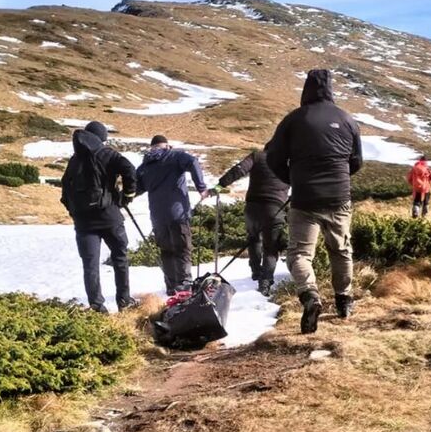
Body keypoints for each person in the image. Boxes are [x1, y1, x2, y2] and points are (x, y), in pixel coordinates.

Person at [267, 69, 363, 334]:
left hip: (304, 199)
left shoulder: (293, 120)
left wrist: (293, 179)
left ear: (305, 90)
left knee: (299, 253)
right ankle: (344, 300)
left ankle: (310, 295)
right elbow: (356, 162)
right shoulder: (347, 119)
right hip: (339, 197)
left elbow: (273, 158)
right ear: (330, 89)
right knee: (341, 250)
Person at [60, 121, 138, 313]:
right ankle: (124, 301)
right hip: (110, 217)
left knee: (90, 265)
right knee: (120, 258)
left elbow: (64, 191)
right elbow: (129, 169)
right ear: (101, 138)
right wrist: (127, 196)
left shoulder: (75, 159)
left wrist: (76, 214)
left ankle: (97, 308)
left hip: (84, 224)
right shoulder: (106, 154)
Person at [208, 145, 289, 296]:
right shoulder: (289, 162)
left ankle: (256, 271)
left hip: (252, 208)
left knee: (253, 239)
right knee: (271, 248)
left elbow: (238, 170)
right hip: (275, 209)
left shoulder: (257, 156)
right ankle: (264, 282)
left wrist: (219, 186)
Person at [136, 135, 208, 296]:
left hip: (157, 216)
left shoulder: (144, 166)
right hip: (178, 213)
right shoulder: (174, 156)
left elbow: (136, 188)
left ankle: (171, 286)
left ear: (152, 147)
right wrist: (201, 188)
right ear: (166, 145)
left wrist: (120, 198)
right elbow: (193, 162)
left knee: (166, 250)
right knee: (182, 248)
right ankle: (185, 284)